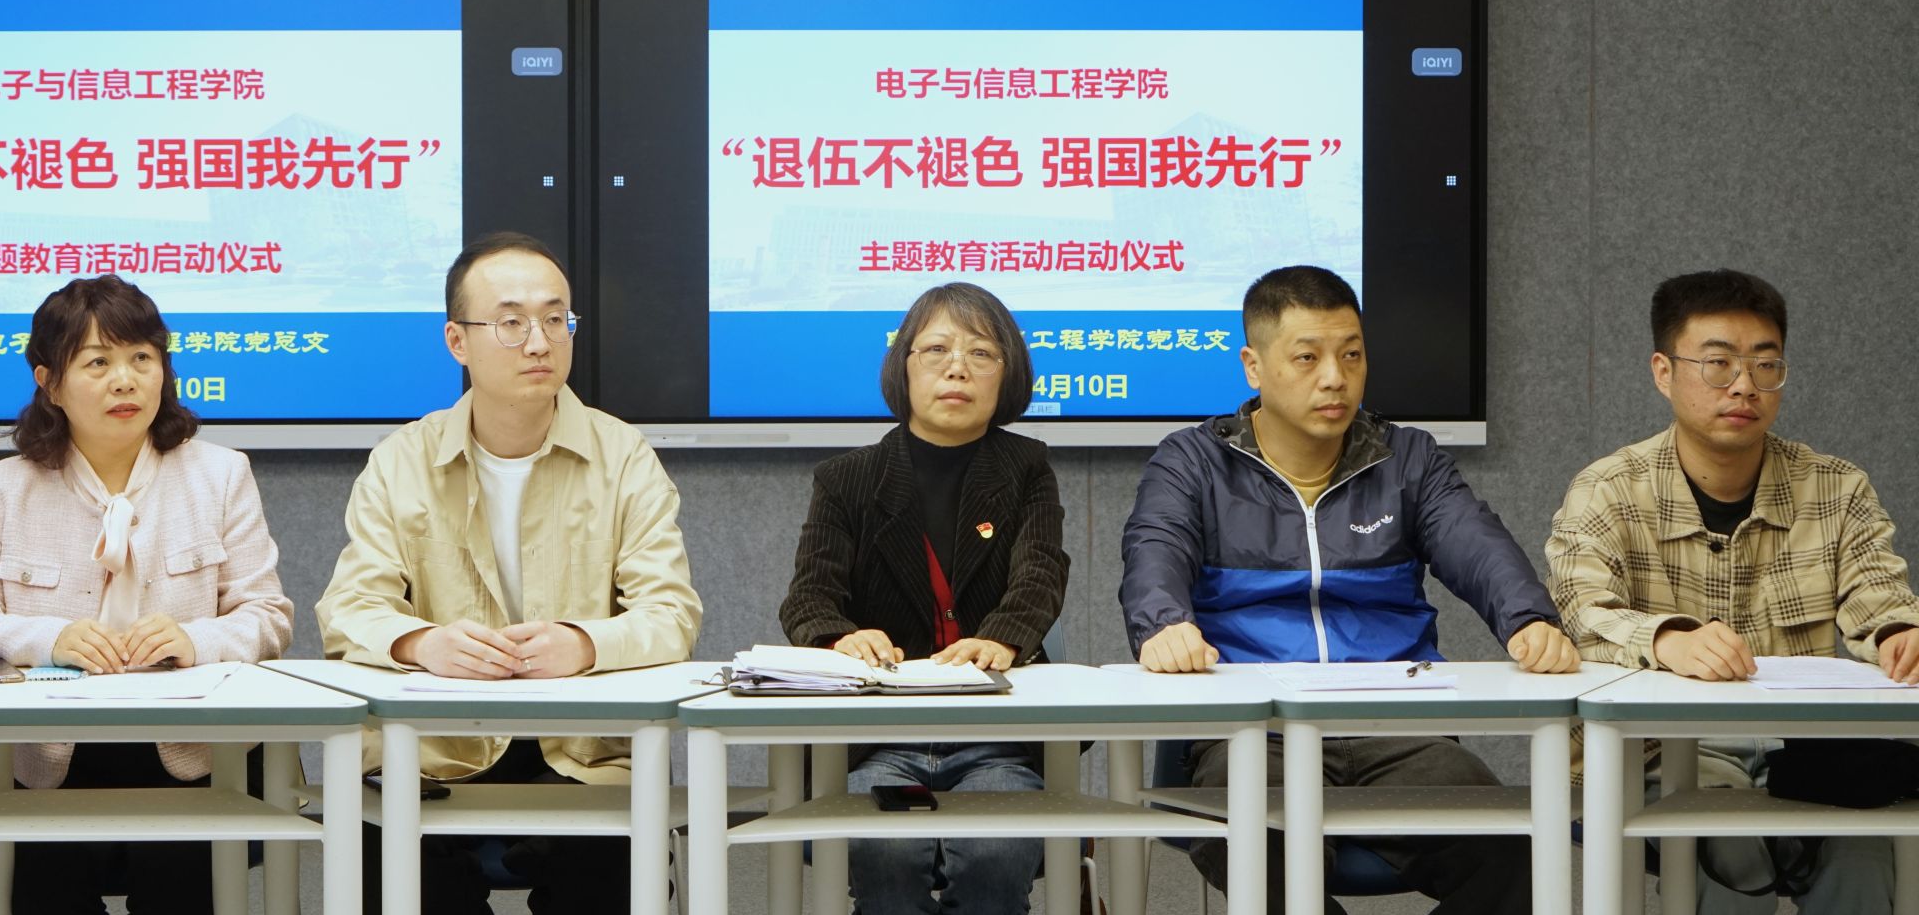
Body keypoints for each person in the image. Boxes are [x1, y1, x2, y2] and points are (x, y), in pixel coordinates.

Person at [1119, 264, 1577, 915]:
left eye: (1352, 355)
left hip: (1397, 726)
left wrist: (1527, 618)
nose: (1335, 377)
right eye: (1307, 357)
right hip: (1254, 731)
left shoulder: (1406, 459)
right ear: (1253, 366)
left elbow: (1475, 543)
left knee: (1512, 847)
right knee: (1261, 851)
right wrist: (1164, 623)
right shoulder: (1193, 462)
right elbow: (1154, 551)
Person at [316, 230, 702, 915]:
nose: (539, 342)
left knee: (607, 873)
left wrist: (583, 644)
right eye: (511, 322)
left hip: (583, 748)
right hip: (436, 745)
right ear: (457, 341)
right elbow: (348, 610)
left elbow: (671, 613)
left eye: (556, 319)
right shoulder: (402, 459)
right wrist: (422, 643)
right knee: (395, 865)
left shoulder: (623, 455)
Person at [1549, 269, 1919, 913]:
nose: (1744, 385)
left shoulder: (1836, 487)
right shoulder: (1608, 489)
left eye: (1765, 364)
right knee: (1723, 833)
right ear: (1664, 372)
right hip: (1663, 749)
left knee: (1865, 851)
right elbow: (1581, 611)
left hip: (1801, 745)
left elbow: (1879, 595)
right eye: (1718, 364)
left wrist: (1900, 633)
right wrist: (1666, 639)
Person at [0, 274, 295, 915]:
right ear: (49, 382)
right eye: (97, 362)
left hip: (190, 751)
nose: (125, 381)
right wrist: (50, 639)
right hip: (51, 754)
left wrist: (196, 639)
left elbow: (268, 615)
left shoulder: (220, 474)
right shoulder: (4, 487)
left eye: (142, 358)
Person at [779, 281, 1069, 915]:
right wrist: (839, 638)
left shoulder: (1026, 468)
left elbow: (1041, 573)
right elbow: (808, 598)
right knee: (886, 848)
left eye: (981, 353)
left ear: (1007, 374)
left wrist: (1003, 637)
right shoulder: (846, 480)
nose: (957, 367)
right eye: (936, 349)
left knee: (996, 851)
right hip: (879, 738)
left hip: (995, 738)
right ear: (902, 367)